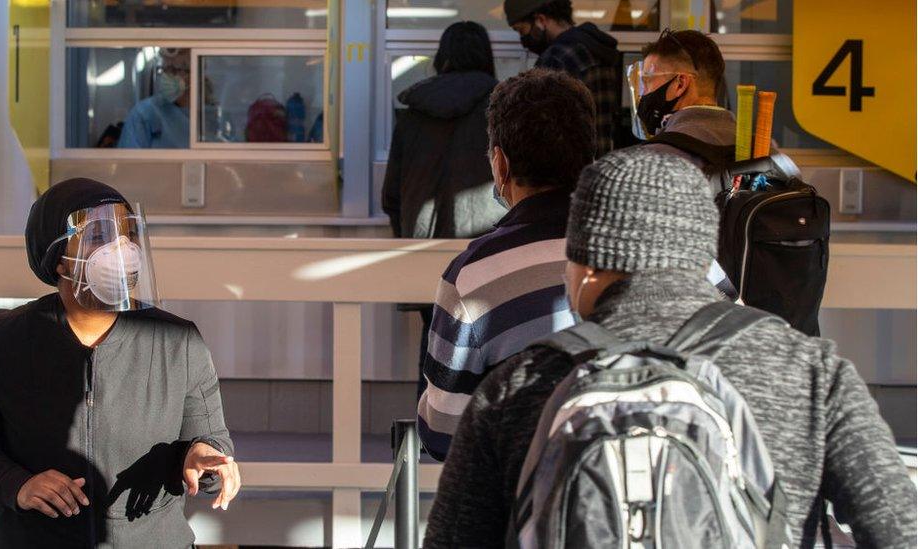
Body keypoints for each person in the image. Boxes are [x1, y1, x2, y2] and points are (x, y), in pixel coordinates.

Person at [423, 148, 916, 548]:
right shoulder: (809, 372)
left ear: (586, 267)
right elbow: (898, 530)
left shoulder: (515, 388)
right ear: (702, 258)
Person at [0, 178, 240, 547]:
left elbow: (210, 443)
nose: (123, 249)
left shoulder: (177, 342)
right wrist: (17, 484)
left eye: (128, 233)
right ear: (56, 257)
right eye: (99, 235)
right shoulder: (4, 338)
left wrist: (206, 461)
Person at [417, 68, 596, 461]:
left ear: (500, 165)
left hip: (530, 510)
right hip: (670, 501)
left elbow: (442, 432)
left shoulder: (473, 276)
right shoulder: (669, 244)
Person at [381, 21, 507, 401]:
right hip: (488, 251)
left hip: (425, 258)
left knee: (435, 348)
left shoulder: (413, 113)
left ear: (443, 57)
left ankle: (430, 436)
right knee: (492, 349)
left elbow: (391, 194)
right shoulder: (501, 107)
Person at [504, 0, 622, 157]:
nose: (524, 41)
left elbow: (541, 130)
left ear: (541, 20)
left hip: (567, 170)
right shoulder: (599, 50)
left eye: (521, 30)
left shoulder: (556, 58)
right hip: (601, 164)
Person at [631, 28, 732, 166]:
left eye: (648, 82)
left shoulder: (654, 159)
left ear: (680, 84)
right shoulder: (763, 149)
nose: (644, 94)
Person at [118, 48, 190, 149]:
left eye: (174, 70)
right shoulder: (145, 114)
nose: (167, 76)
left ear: (193, 73)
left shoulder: (208, 114)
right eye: (164, 70)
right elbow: (127, 162)